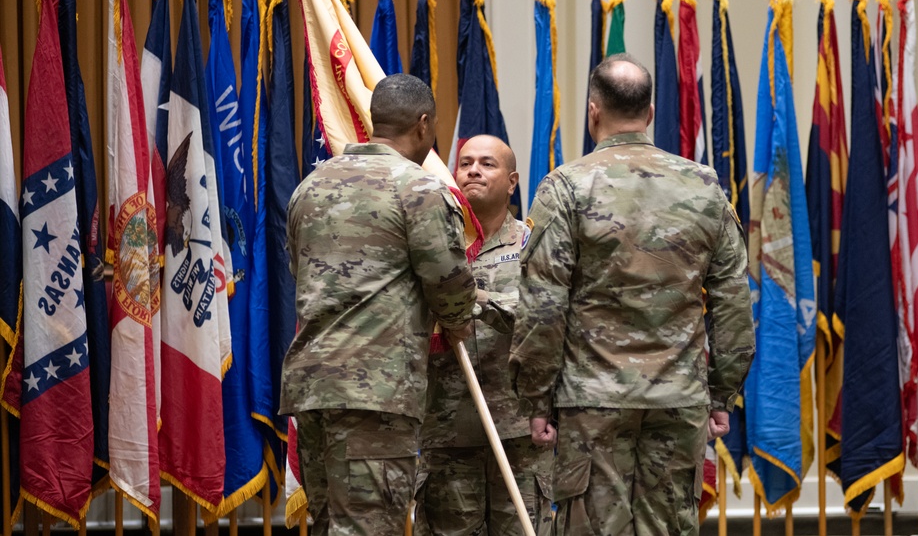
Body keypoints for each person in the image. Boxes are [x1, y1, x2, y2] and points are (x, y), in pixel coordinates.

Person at [510, 53, 754, 536]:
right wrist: (722, 391)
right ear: (651, 113)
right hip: (678, 396)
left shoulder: (566, 187)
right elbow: (732, 301)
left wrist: (537, 398)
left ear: (593, 111)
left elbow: (543, 305)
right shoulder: (704, 186)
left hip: (592, 398)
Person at [281, 74, 477, 536]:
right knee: (371, 528)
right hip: (375, 393)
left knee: (329, 523)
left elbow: (300, 272)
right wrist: (459, 318)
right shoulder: (419, 190)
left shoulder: (309, 187)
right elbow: (449, 286)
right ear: (424, 124)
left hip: (312, 389)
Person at [416, 134, 553, 536]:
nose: (473, 170)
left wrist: (469, 295)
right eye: (465, 163)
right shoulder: (433, 250)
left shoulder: (535, 246)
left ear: (512, 181)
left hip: (519, 433)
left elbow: (543, 318)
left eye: (487, 164)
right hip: (447, 430)